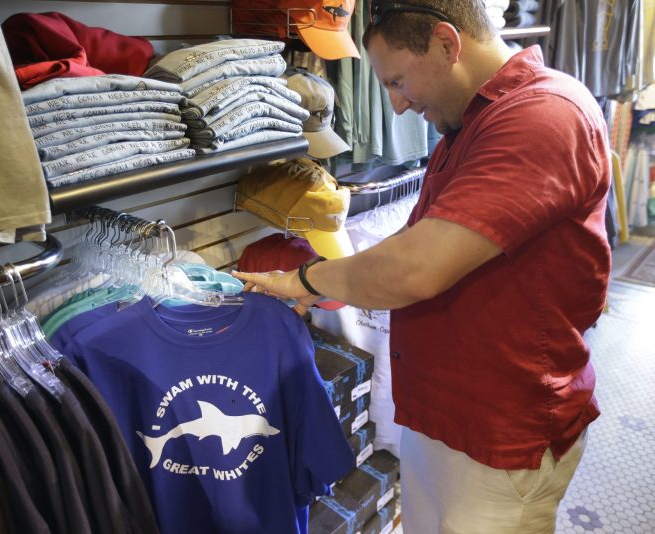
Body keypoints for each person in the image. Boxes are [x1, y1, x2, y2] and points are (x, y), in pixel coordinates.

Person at [232, 1, 612, 532]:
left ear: (446, 43)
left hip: (501, 436)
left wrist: (303, 279)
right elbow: (417, 240)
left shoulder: (542, 115)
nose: (397, 108)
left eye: (398, 82)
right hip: (447, 419)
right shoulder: (471, 125)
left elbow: (416, 268)